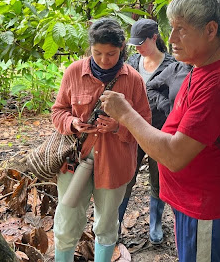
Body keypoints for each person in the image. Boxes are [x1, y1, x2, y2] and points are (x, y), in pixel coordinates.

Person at [101, 0, 220, 262]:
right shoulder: (206, 63)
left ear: (211, 30)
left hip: (209, 208)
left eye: (182, 29)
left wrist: (125, 114)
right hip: (194, 203)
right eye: (171, 28)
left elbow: (174, 155)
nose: (171, 38)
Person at [51, 18, 151, 262]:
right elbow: (58, 111)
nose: (105, 59)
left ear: (122, 50)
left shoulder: (134, 79)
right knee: (67, 220)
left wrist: (119, 126)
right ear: (90, 49)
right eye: (98, 53)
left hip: (116, 163)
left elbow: (145, 124)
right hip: (75, 160)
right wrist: (72, 123)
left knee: (107, 224)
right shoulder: (75, 72)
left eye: (112, 54)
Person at [118, 18, 175, 244]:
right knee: (126, 176)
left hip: (159, 130)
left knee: (157, 177)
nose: (138, 48)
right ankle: (116, 223)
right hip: (132, 130)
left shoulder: (171, 66)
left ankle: (156, 222)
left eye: (142, 42)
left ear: (154, 37)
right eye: (135, 43)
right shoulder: (132, 62)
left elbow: (174, 102)